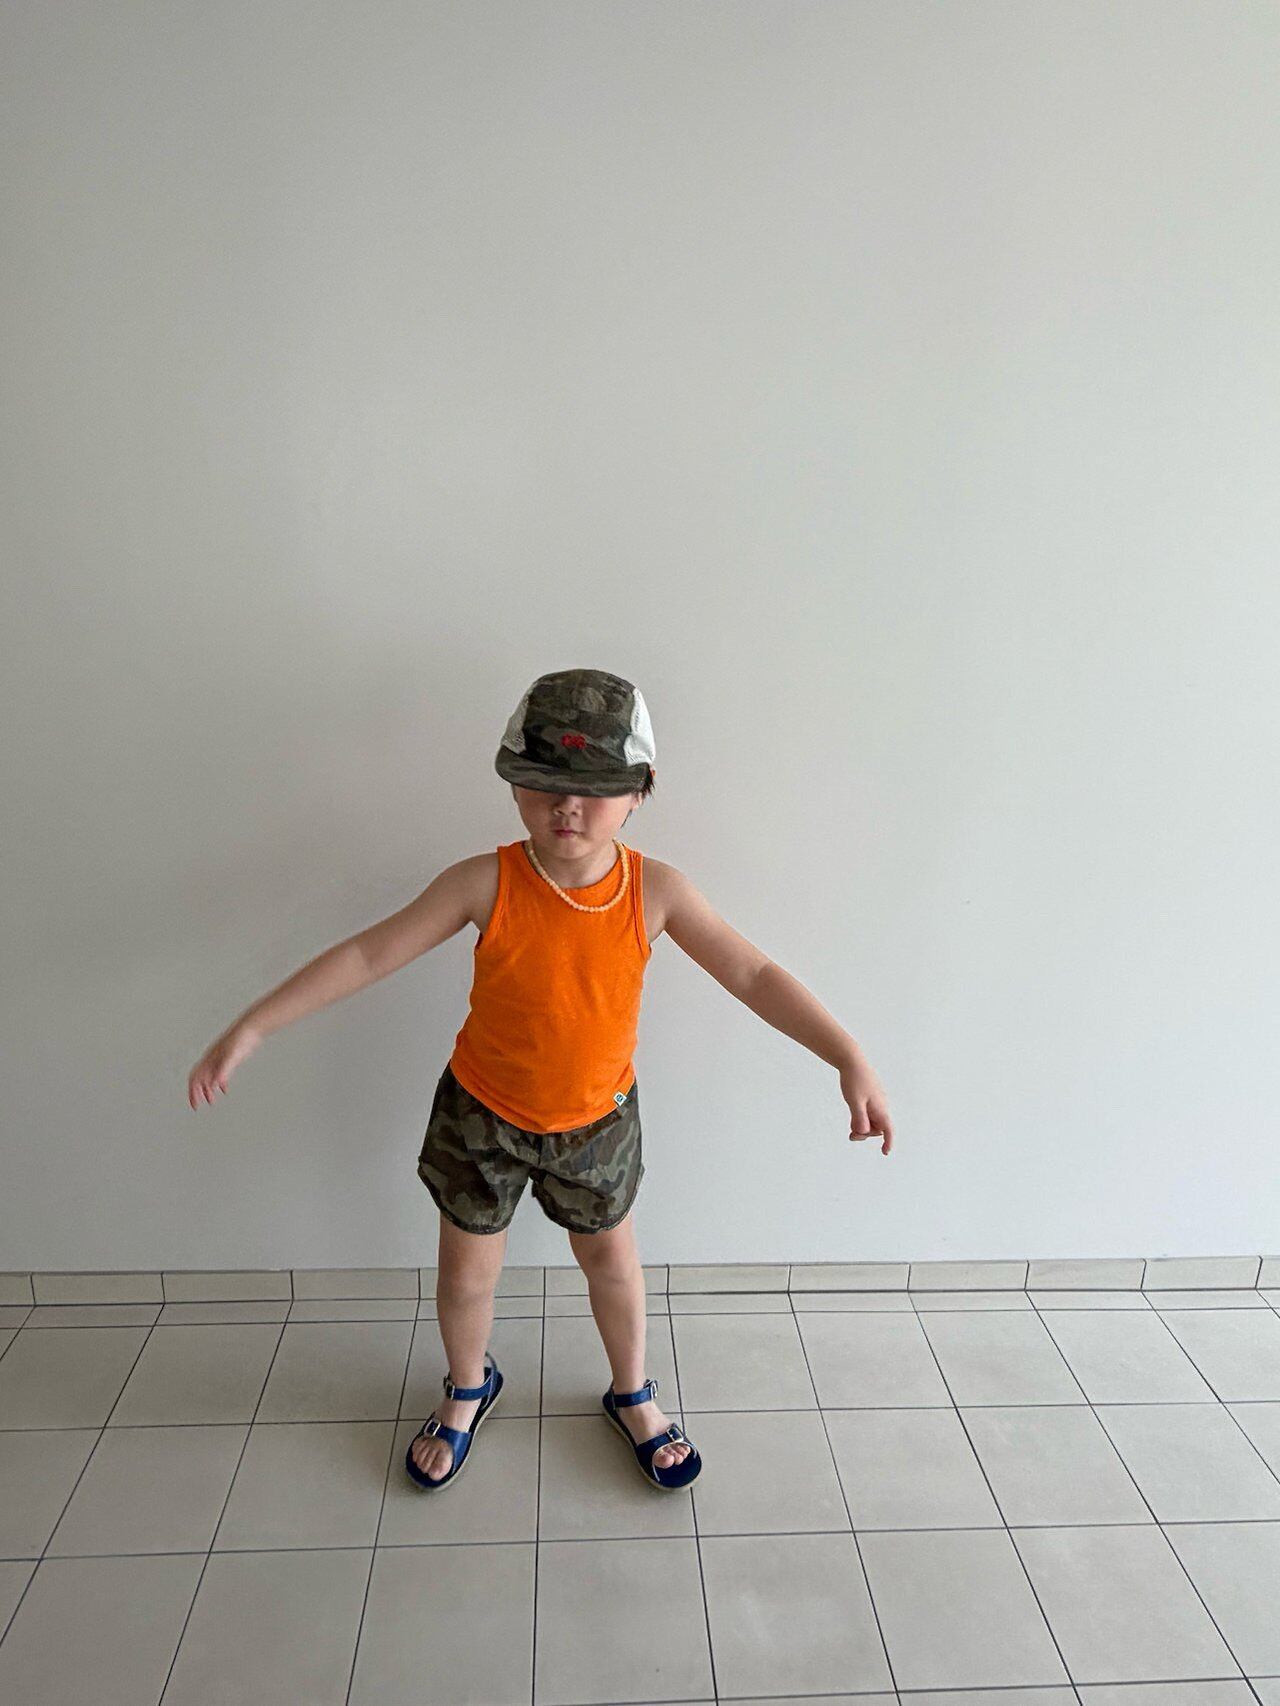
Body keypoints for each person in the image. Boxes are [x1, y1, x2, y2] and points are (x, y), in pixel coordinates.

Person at [188, 666, 894, 1494]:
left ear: (639, 792)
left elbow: (753, 973)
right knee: (466, 1275)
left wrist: (846, 1054)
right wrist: (255, 1024)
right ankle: (467, 1386)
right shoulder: (483, 882)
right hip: (480, 1118)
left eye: (594, 790)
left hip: (598, 1122)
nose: (568, 807)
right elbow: (370, 952)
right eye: (545, 784)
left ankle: (633, 1391)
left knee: (613, 1266)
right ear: (515, 784)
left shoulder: (655, 892)